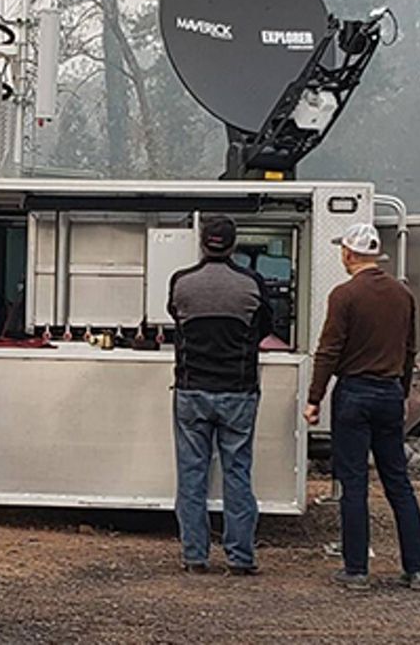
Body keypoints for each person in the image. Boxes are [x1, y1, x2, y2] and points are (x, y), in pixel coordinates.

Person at [305, 223, 420, 592]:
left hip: (355, 394)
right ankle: (418, 568)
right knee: (399, 483)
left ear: (348, 253)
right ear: (375, 255)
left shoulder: (344, 295)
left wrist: (314, 398)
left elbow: (329, 351)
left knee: (354, 482)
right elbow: (410, 350)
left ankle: (357, 569)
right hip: (391, 393)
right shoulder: (402, 294)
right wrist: (402, 393)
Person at [168, 215, 273, 575]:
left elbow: (176, 322)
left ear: (202, 241)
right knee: (237, 473)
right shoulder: (251, 284)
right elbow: (266, 327)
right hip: (239, 392)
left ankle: (195, 556)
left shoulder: (182, 283)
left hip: (192, 390)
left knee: (191, 474)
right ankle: (240, 558)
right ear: (233, 244)